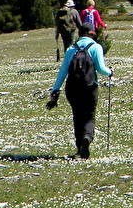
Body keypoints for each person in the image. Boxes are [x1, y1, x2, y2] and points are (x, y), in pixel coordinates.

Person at [46, 22, 113, 159]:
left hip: (72, 88)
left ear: (79, 33)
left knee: (77, 116)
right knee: (89, 115)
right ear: (91, 32)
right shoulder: (96, 47)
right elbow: (101, 68)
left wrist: (55, 90)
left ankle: (79, 147)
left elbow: (63, 71)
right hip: (89, 87)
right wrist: (110, 72)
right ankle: (87, 137)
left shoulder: (71, 49)